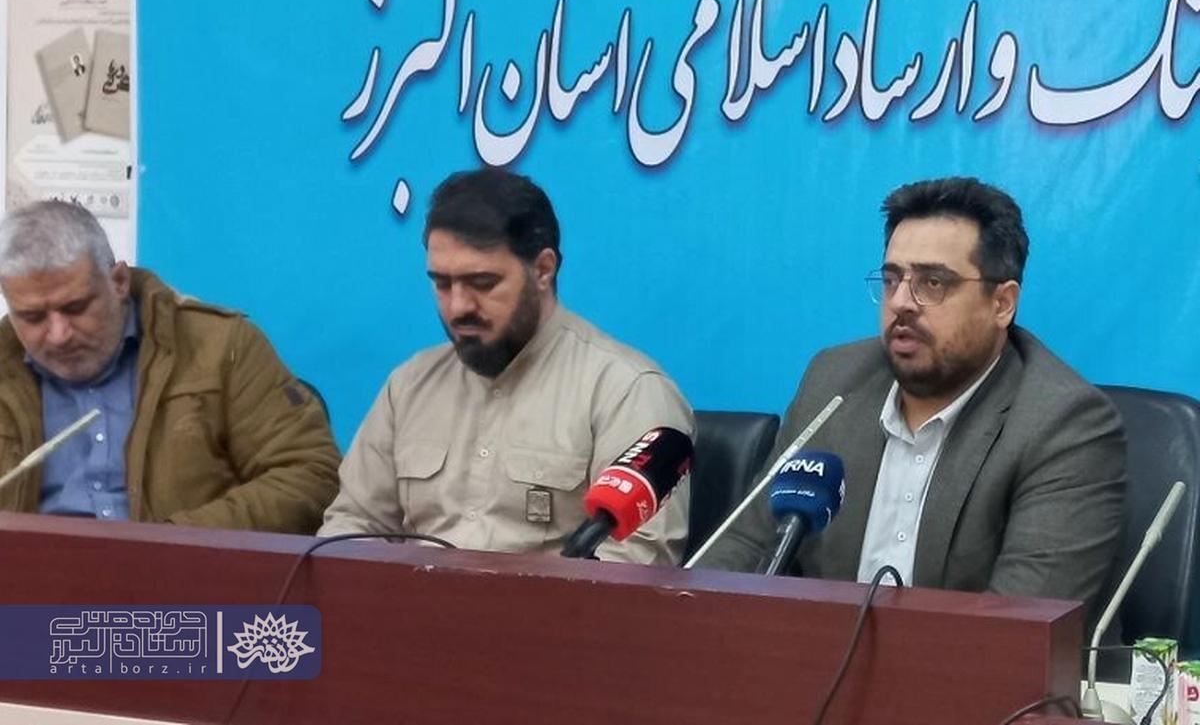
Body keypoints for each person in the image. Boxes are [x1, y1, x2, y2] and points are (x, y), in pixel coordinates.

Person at [696, 177, 1125, 617]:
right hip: (818, 654)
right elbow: (750, 543)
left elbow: (1019, 625)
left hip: (969, 660)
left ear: (1002, 304)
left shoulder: (1063, 423)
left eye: (933, 282)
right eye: (891, 279)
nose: (901, 301)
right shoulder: (834, 381)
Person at [320, 167, 692, 564]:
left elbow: (635, 565)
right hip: (407, 602)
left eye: (482, 283)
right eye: (442, 284)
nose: (458, 307)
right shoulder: (409, 385)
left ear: (543, 269)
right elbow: (352, 525)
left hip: (550, 605)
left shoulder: (626, 391)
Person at [0, 201, 340, 533]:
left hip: (191, 566)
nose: (59, 335)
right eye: (33, 317)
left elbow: (310, 475)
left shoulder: (221, 346)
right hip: (29, 569)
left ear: (119, 281)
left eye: (76, 308)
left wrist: (172, 542)